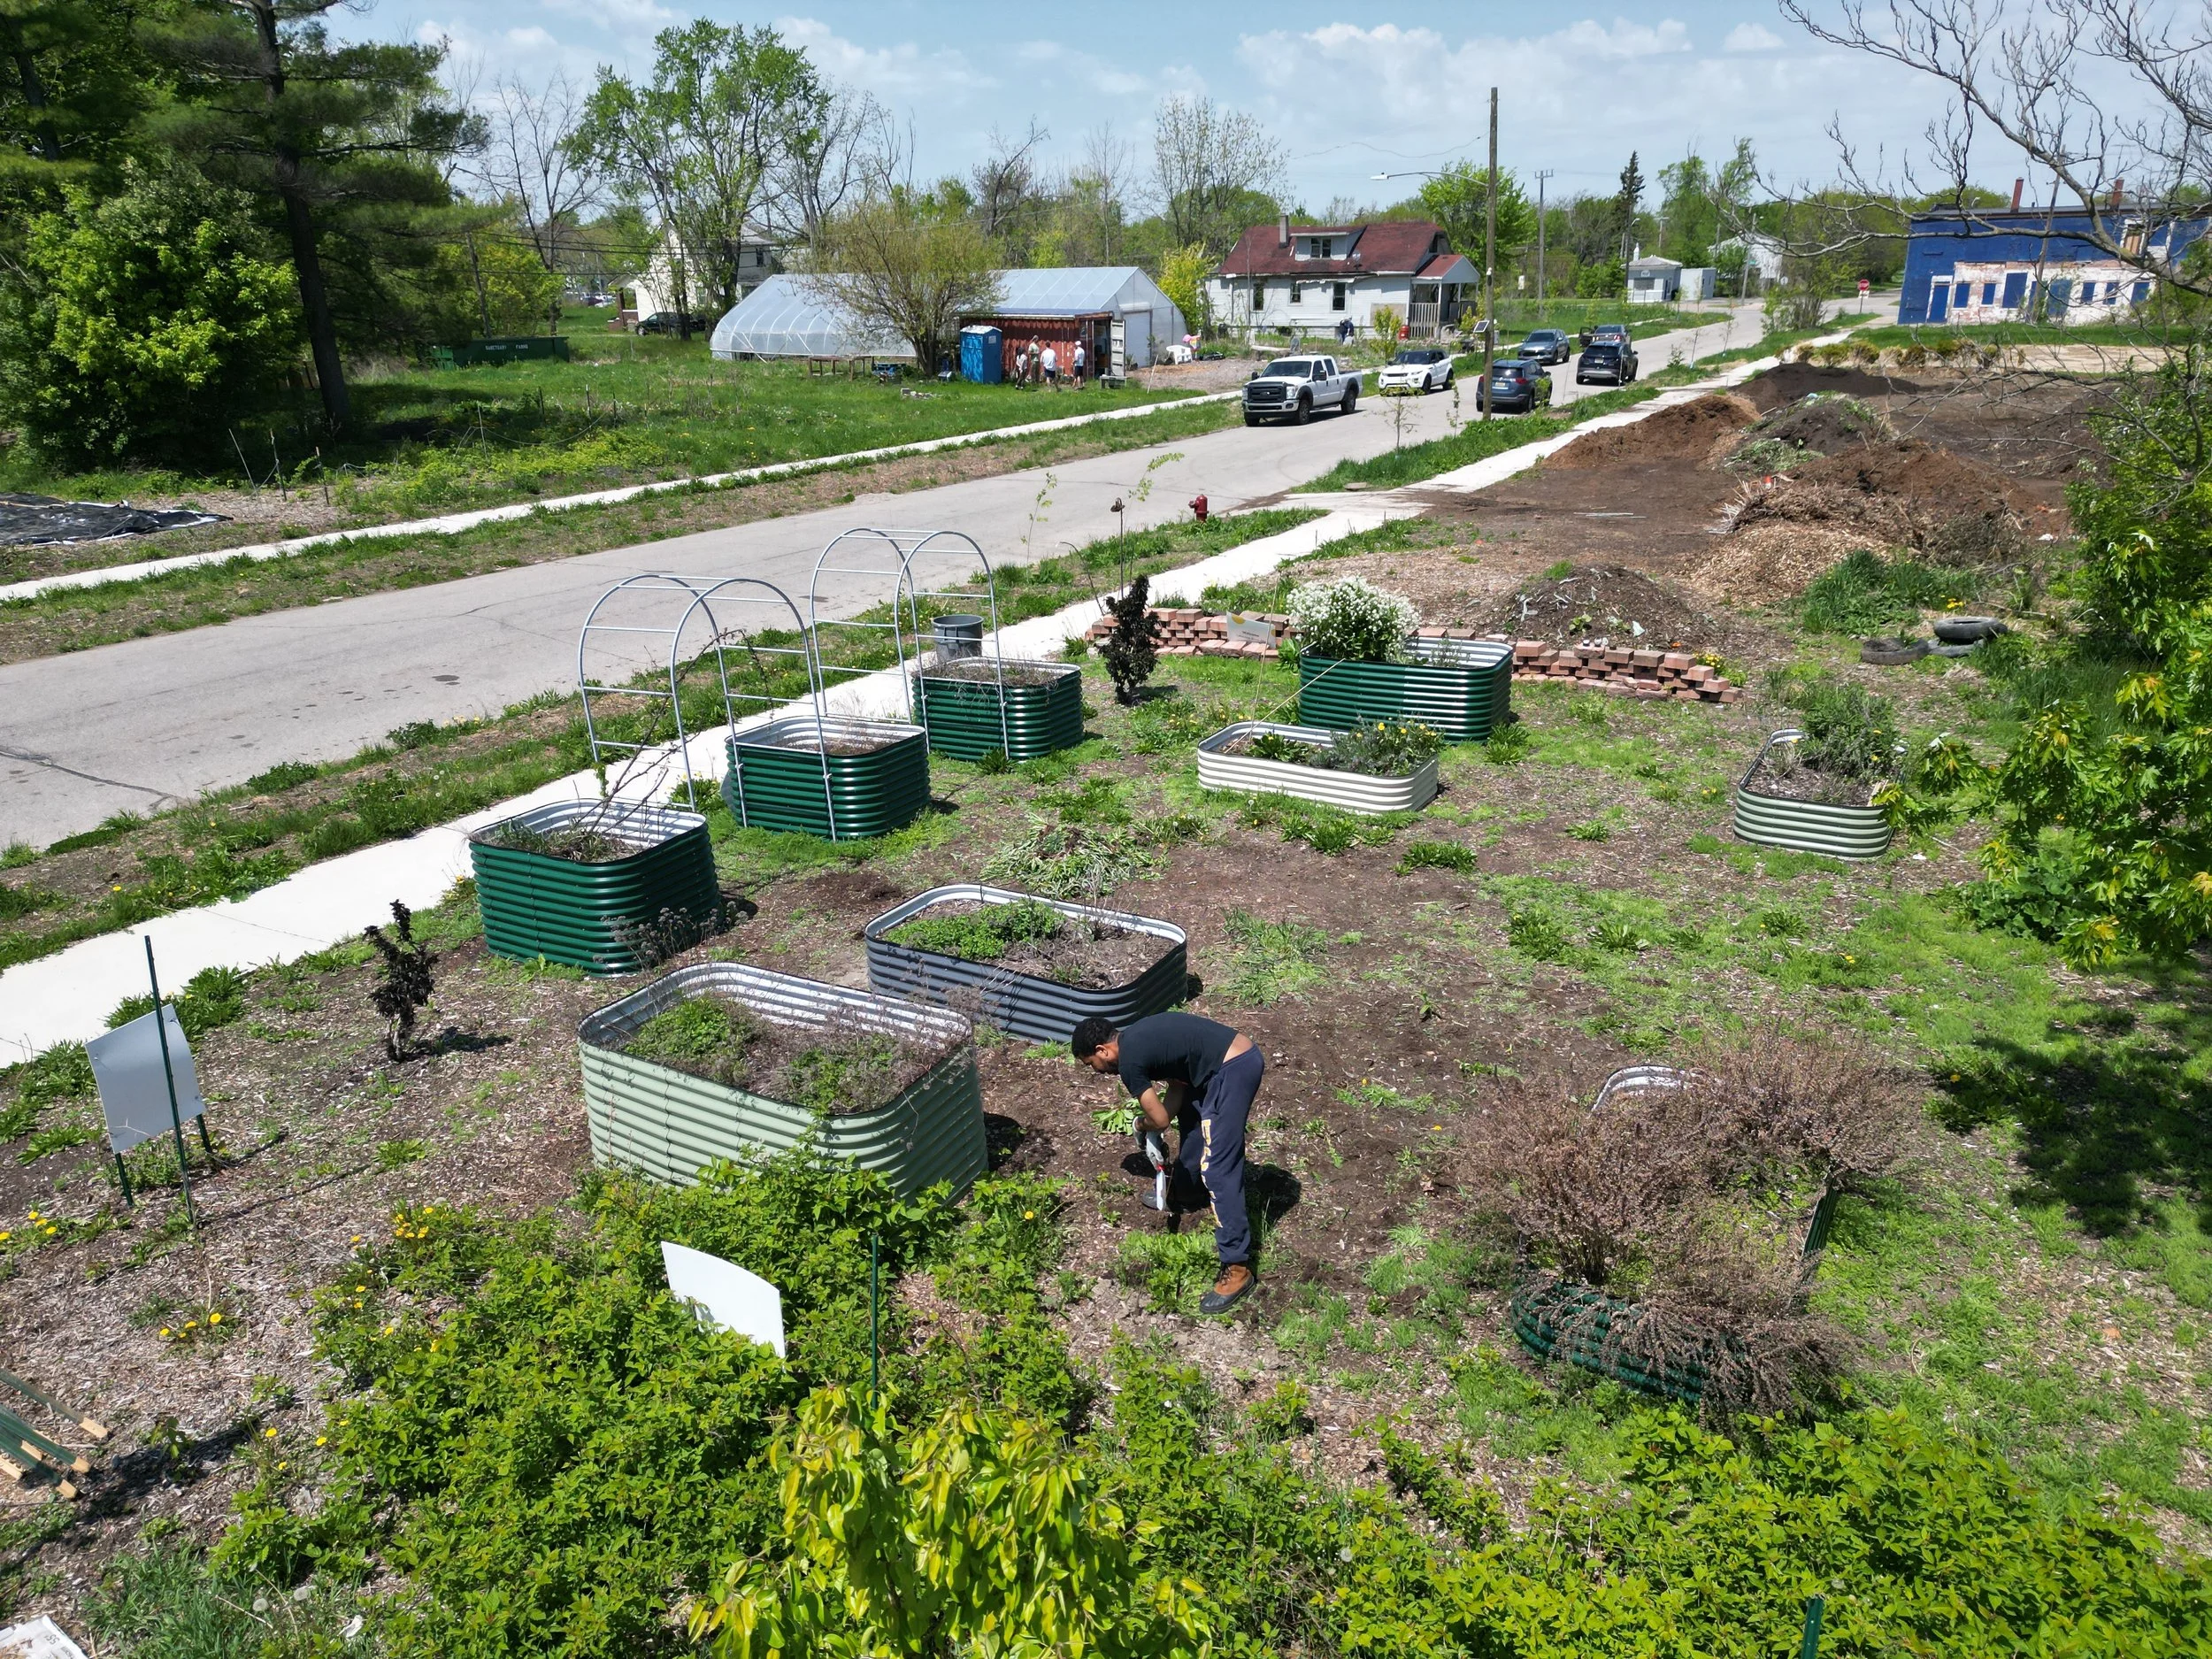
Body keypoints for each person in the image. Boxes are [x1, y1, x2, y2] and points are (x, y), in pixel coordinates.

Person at [1074, 1012, 1264, 1314]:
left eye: (1091, 1064)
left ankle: (1238, 1270)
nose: (1096, 1071)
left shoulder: (1130, 1062)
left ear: (1102, 1051)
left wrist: (1141, 1125)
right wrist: (1152, 1126)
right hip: (1223, 1065)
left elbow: (1160, 1118)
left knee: (1219, 1169)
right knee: (1192, 1116)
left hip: (1233, 1070)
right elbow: (1177, 1089)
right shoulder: (1141, 1038)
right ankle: (1188, 1192)